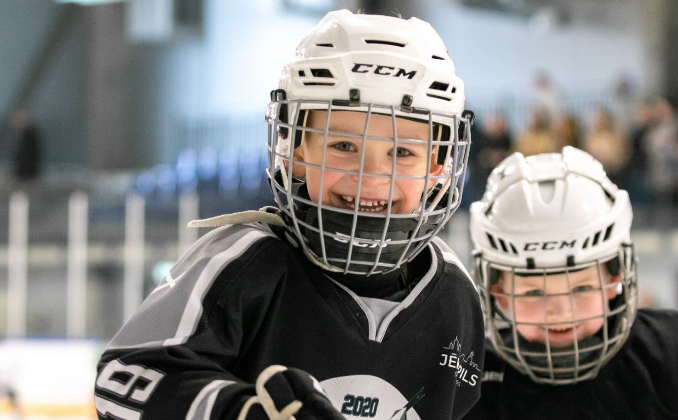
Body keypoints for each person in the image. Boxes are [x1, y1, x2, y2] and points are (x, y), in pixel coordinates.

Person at [94, 10, 484, 420]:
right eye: (343, 146)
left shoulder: (455, 298)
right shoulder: (245, 264)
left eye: (402, 153)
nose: (371, 177)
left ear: (438, 167)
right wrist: (241, 413)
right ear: (295, 150)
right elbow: (121, 380)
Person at [464, 147, 678, 419]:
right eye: (533, 292)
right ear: (498, 293)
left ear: (615, 279)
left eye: (581, 288)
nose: (560, 311)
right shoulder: (461, 385)